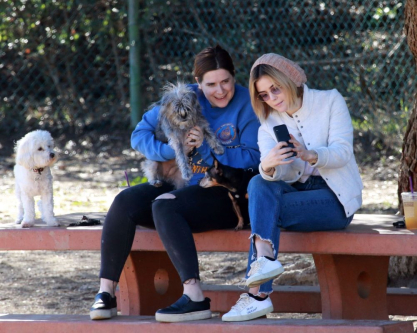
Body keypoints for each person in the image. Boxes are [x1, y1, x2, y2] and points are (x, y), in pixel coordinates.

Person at [89, 45, 260, 322]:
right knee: (125, 201)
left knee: (165, 206)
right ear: (198, 84)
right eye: (211, 84)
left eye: (226, 81)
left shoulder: (248, 104)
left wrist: (207, 148)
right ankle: (106, 293)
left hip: (227, 193)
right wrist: (172, 148)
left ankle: (194, 298)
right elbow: (140, 135)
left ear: (234, 77)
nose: (220, 90)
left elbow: (253, 158)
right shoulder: (186, 99)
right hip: (182, 182)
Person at [221, 53, 363, 322]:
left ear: (290, 80)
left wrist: (310, 154)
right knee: (259, 181)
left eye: (275, 88)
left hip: (334, 198)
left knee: (265, 209)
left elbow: (343, 152)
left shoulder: (329, 100)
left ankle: (255, 296)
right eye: (263, 94)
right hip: (296, 193)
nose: (272, 98)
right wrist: (270, 165)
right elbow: (278, 176)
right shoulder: (269, 122)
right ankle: (264, 260)